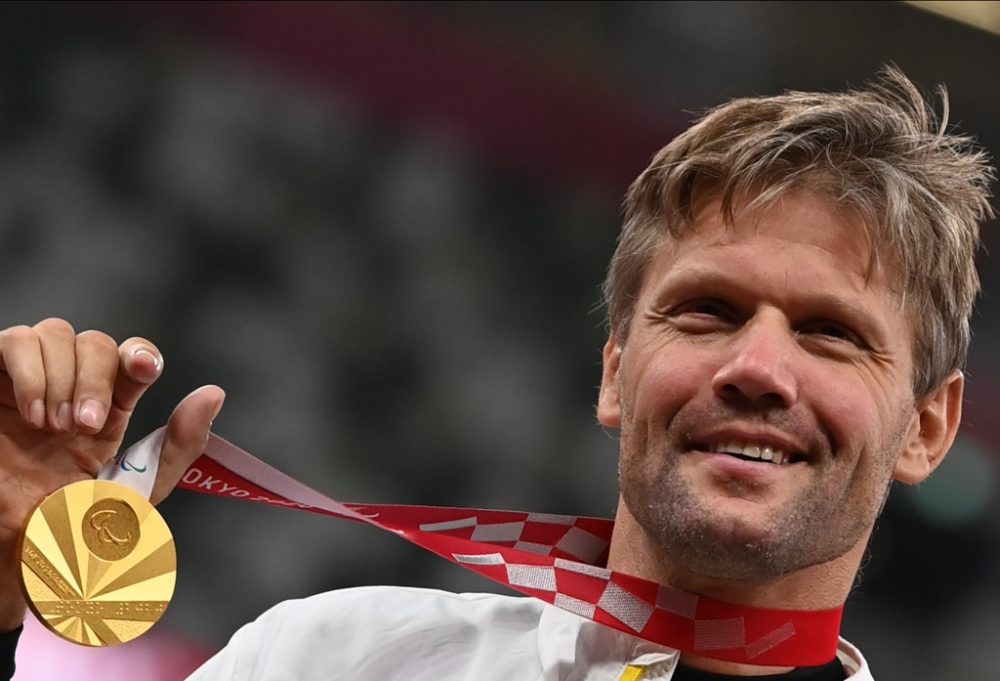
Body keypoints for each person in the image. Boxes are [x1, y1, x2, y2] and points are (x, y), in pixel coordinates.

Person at [0, 67, 993, 680]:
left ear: (927, 429)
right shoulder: (339, 662)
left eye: (829, 333)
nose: (757, 367)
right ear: (614, 373)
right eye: (706, 311)